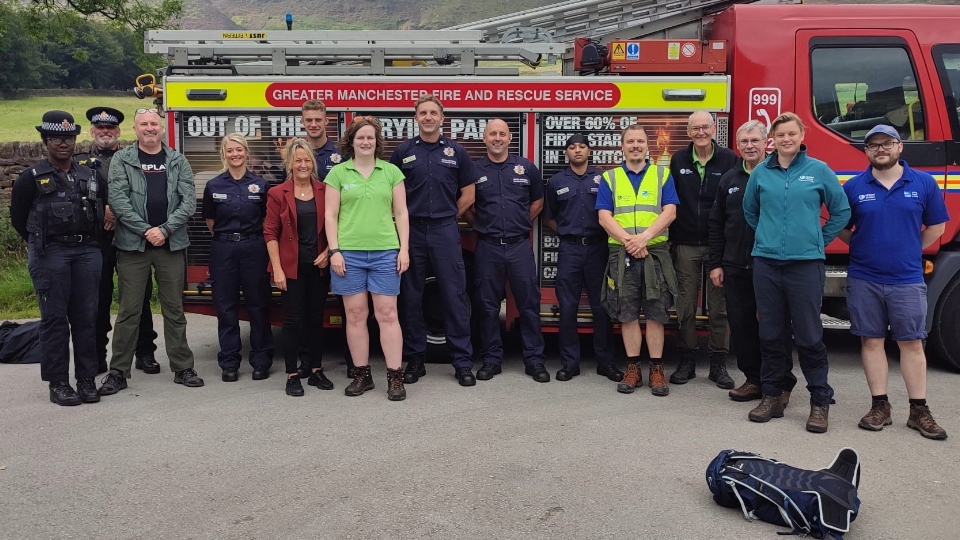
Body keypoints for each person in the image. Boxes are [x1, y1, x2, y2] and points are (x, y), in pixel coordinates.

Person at [838, 124, 949, 440]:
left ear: (900, 147)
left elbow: (937, 227)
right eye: (873, 145)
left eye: (887, 143)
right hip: (864, 277)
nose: (880, 149)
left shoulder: (924, 183)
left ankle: (919, 411)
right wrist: (862, 245)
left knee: (911, 343)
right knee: (870, 341)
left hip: (907, 278)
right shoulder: (854, 187)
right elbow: (842, 227)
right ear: (866, 151)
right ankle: (879, 406)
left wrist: (909, 248)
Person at [742, 112, 850, 433]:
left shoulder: (819, 171)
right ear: (772, 139)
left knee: (809, 336)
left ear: (802, 135)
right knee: (771, 334)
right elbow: (751, 211)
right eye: (781, 134)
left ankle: (819, 401)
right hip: (767, 264)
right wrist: (768, 236)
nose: (786, 139)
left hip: (806, 265)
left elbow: (841, 210)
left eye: (792, 133)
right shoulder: (761, 173)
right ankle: (772, 395)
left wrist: (818, 239)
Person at [98, 108, 203, 395]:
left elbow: (188, 202)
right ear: (135, 129)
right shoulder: (122, 160)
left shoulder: (177, 160)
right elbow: (118, 200)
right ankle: (118, 372)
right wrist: (147, 230)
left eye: (154, 123)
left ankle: (183, 368)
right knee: (129, 311)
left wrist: (165, 230)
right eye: (143, 124)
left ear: (162, 128)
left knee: (174, 309)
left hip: (171, 245)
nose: (149, 128)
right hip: (133, 246)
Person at [10, 111, 105, 406]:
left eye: (68, 138)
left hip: (87, 251)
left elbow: (101, 211)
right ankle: (59, 383)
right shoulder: (31, 178)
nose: (63, 144)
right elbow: (18, 219)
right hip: (50, 253)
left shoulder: (89, 174)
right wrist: (41, 245)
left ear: (75, 140)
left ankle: (87, 379)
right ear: (45, 141)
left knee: (87, 318)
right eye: (56, 138)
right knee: (54, 321)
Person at [707, 120, 797, 405]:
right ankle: (754, 379)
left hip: (770, 264)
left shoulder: (777, 175)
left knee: (775, 326)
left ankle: (782, 381)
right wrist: (716, 264)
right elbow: (716, 224)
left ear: (765, 143)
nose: (749, 146)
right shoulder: (728, 179)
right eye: (744, 141)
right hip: (735, 265)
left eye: (754, 141)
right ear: (738, 145)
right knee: (742, 325)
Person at [389, 94, 477, 387]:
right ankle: (415, 359)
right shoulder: (402, 152)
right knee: (411, 296)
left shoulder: (457, 152)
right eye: (422, 113)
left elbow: (469, 192)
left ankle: (462, 362)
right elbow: (392, 194)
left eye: (433, 113)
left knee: (454, 296)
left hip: (445, 230)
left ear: (442, 118)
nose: (428, 117)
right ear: (415, 118)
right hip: (411, 232)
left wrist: (452, 215)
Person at [324, 116, 410, 401]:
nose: (365, 142)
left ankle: (395, 376)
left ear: (377, 142)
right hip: (348, 255)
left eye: (370, 137)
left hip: (385, 252)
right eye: (360, 137)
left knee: (387, 314)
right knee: (356, 315)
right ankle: (362, 374)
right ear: (351, 141)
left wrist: (404, 249)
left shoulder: (391, 173)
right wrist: (335, 250)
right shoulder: (338, 173)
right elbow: (330, 215)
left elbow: (401, 214)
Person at [596, 124, 679, 397]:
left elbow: (670, 212)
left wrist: (643, 238)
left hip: (654, 252)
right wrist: (630, 242)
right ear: (622, 146)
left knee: (656, 311)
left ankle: (656, 369)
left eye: (640, 141)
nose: (635, 145)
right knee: (626, 311)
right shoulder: (610, 178)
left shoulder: (661, 175)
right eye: (630, 141)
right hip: (622, 253)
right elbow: (604, 217)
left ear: (647, 146)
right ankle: (633, 369)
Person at [76, 106, 159, 376]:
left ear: (118, 132)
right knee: (97, 301)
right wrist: (103, 212)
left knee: (139, 298)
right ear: (92, 132)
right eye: (100, 128)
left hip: (131, 235)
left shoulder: (134, 158)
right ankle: (97, 356)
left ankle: (145, 353)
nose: (105, 132)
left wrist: (118, 212)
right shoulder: (79, 164)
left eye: (110, 128)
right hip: (96, 241)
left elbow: (145, 195)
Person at [466, 119, 547, 383]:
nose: (497, 138)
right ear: (484, 138)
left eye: (502, 133)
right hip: (487, 246)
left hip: (519, 246)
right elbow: (463, 201)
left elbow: (538, 200)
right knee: (487, 306)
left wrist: (524, 222)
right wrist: (476, 222)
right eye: (492, 134)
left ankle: (534, 360)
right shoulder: (473, 170)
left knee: (529, 304)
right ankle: (491, 360)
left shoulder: (526, 168)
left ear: (510, 138)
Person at [543, 134, 623, 382]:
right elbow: (549, 216)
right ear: (566, 152)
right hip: (570, 250)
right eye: (572, 147)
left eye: (582, 146)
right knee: (568, 307)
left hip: (599, 249)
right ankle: (569, 363)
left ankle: (606, 363)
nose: (577, 150)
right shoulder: (556, 181)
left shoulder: (604, 179)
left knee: (602, 308)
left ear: (589, 151)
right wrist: (569, 234)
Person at [669, 110, 737, 388]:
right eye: (695, 128)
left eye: (705, 127)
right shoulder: (678, 159)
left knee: (719, 307)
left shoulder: (730, 159)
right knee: (685, 305)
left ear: (713, 129)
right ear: (688, 132)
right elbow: (672, 200)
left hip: (718, 245)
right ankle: (686, 360)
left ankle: (718, 363)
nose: (700, 132)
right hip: (685, 243)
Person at [202, 133, 274, 383]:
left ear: (246, 152)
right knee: (226, 306)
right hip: (224, 249)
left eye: (239, 150)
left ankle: (261, 360)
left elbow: (267, 220)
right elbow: (211, 221)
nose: (235, 154)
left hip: (254, 247)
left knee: (258, 305)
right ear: (224, 154)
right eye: (230, 150)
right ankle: (230, 361)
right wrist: (229, 238)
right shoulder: (214, 185)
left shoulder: (261, 184)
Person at [264, 138, 333, 396]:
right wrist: (277, 269)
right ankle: (292, 374)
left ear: (312, 163)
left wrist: (328, 252)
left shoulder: (325, 191)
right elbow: (270, 232)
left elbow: (337, 226)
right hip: (290, 269)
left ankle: (315, 369)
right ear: (290, 164)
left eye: (307, 160)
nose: (303, 165)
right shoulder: (277, 193)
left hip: (318, 267)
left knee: (316, 320)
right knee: (292, 323)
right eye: (298, 161)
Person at [300, 99, 355, 377]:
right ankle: (307, 361)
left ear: (327, 121)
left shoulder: (340, 155)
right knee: (307, 304)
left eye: (318, 119)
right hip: (307, 240)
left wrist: (335, 246)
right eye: (308, 120)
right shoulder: (297, 154)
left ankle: (352, 360)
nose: (313, 124)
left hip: (337, 238)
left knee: (348, 302)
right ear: (302, 121)